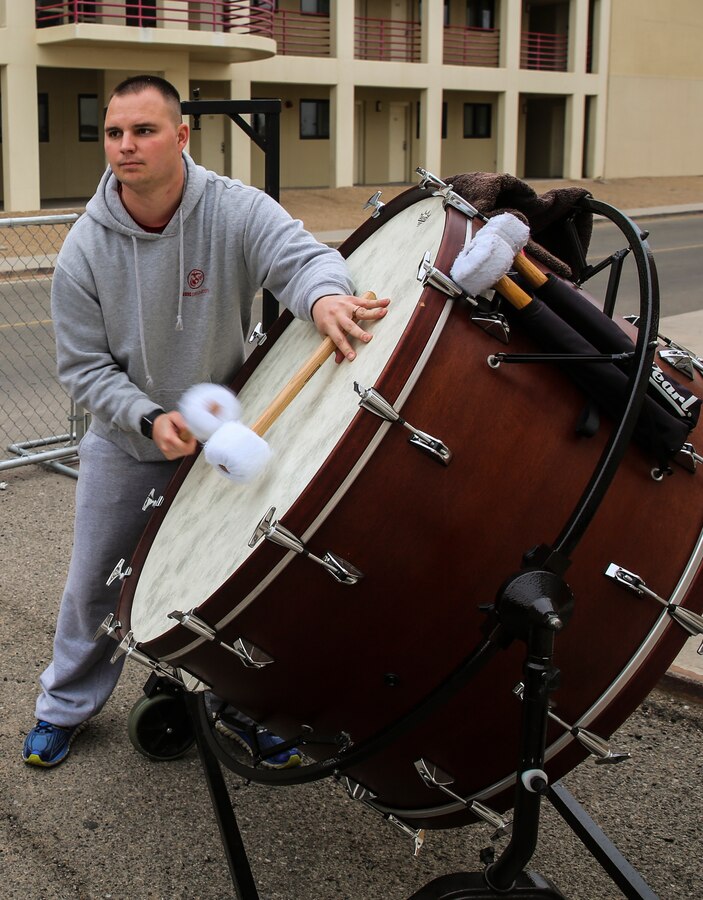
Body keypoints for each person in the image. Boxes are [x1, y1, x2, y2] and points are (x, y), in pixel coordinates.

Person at [22, 74, 389, 768]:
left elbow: (302, 260)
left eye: (144, 130)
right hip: (127, 441)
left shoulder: (232, 210)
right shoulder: (83, 252)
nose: (125, 146)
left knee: (237, 583)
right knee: (96, 582)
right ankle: (62, 706)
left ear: (182, 135)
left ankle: (244, 709)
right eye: (113, 132)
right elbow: (83, 370)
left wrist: (323, 300)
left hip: (227, 438)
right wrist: (147, 417)